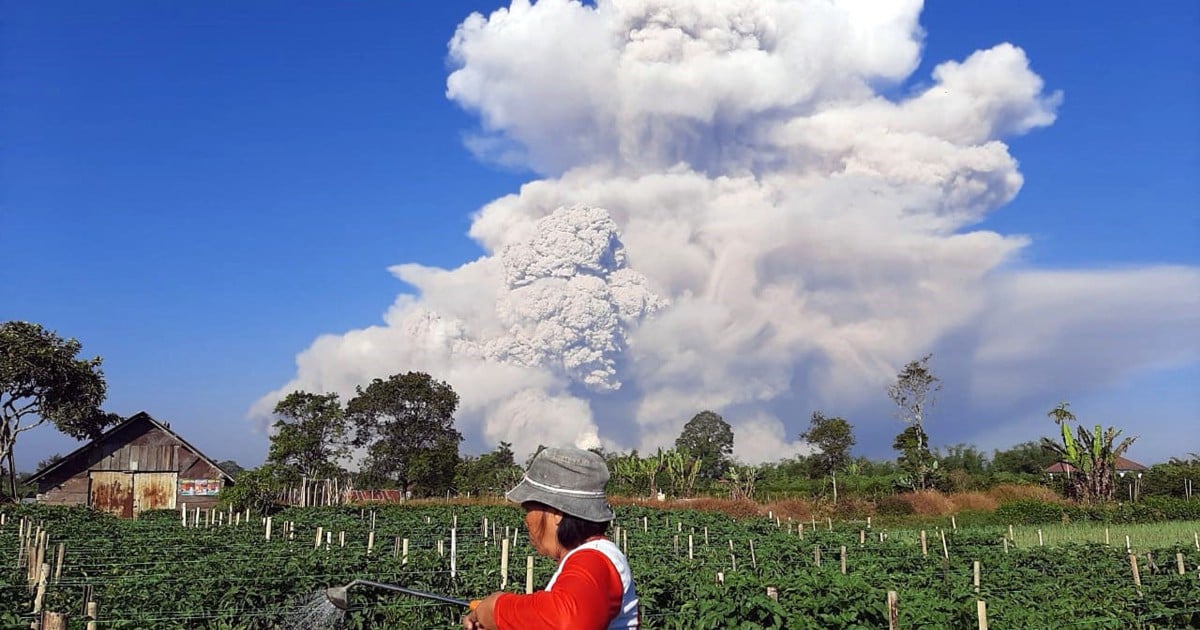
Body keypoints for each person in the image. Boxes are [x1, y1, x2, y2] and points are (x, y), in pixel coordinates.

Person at [464, 447, 640, 629]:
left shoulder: (593, 559)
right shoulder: (593, 555)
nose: (526, 520)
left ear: (557, 513)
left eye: (529, 509)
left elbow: (567, 620)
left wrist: (498, 609)